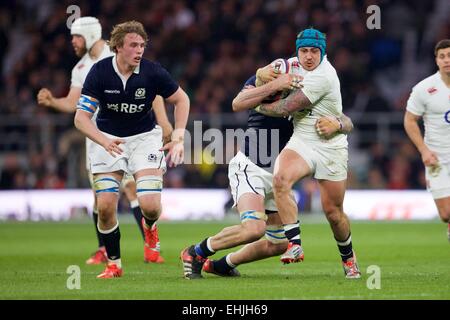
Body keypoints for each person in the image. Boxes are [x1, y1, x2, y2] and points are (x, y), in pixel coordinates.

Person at [180, 58, 353, 279]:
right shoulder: (264, 79)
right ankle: (195, 252)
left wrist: (338, 125)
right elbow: (237, 103)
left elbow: (345, 119)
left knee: (278, 244)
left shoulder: (311, 88)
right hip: (251, 166)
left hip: (281, 175)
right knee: (254, 229)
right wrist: (275, 84)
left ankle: (223, 265)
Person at [37, 17, 172, 265]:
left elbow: (151, 92)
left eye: (76, 37)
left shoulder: (128, 58)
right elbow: (75, 105)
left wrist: (163, 122)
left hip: (136, 137)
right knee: (103, 200)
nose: (73, 43)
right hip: (100, 138)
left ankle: (149, 242)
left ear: (88, 35)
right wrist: (54, 102)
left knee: (134, 189)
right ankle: (105, 250)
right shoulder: (81, 69)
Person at [74, 20, 189, 279]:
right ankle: (114, 265)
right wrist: (103, 142)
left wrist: (179, 135)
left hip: (144, 138)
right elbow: (80, 118)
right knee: (104, 206)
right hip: (107, 139)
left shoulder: (152, 72)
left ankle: (150, 226)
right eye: (133, 45)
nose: (139, 50)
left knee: (150, 206)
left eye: (142, 45)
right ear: (117, 47)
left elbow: (181, 99)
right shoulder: (99, 73)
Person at [255, 28, 361, 279]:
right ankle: (294, 244)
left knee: (333, 213)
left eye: (314, 51)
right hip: (303, 138)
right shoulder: (289, 64)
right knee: (280, 179)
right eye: (304, 51)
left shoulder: (324, 75)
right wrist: (261, 73)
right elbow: (261, 77)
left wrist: (254, 103)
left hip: (331, 146)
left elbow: (286, 107)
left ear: (322, 53)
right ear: (298, 50)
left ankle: (349, 258)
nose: (309, 56)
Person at [404, 39, 450, 241]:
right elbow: (410, 120)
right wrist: (423, 150)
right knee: (446, 214)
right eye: (442, 56)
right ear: (436, 60)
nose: (447, 60)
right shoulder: (424, 89)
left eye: (449, 56)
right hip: (437, 158)